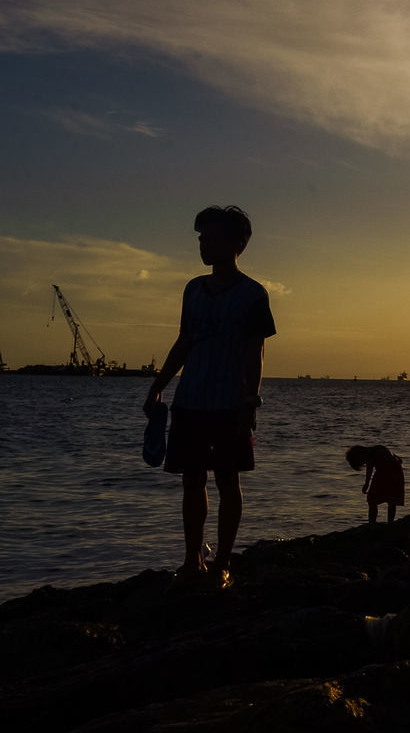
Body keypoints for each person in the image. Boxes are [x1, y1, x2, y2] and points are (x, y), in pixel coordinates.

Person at [143, 206, 276, 588]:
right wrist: (158, 385)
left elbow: (255, 351)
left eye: (211, 236)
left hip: (229, 401)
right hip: (190, 399)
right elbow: (184, 341)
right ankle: (191, 560)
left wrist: (250, 402)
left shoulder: (253, 294)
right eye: (201, 237)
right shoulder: (193, 289)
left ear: (236, 242)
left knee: (228, 480)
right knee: (191, 480)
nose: (203, 243)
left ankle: (222, 564)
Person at [346, 445, 405, 523]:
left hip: (390, 473)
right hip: (392, 473)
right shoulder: (373, 450)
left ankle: (374, 523)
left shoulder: (371, 453)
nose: (363, 464)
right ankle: (388, 523)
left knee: (374, 500)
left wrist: (367, 484)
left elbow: (370, 469)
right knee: (389, 500)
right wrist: (367, 484)